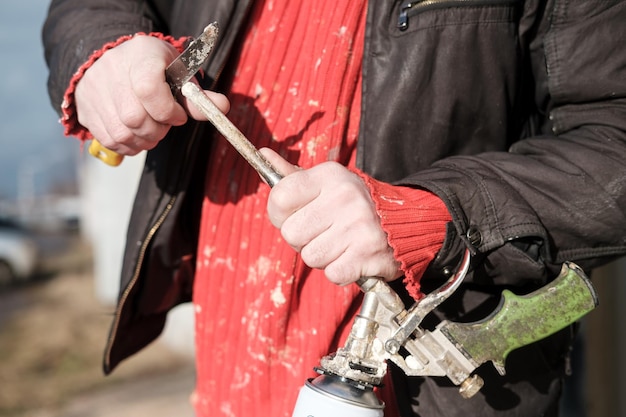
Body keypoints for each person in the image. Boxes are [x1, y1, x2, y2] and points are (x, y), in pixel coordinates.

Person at [42, 1, 626, 416]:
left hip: (426, 394)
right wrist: (104, 49)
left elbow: (611, 143)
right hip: (232, 360)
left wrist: (431, 216)